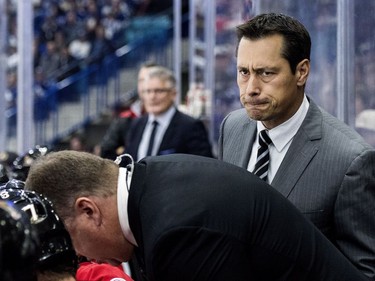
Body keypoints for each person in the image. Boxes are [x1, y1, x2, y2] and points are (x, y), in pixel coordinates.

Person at [24, 150, 369, 281]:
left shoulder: (178, 230)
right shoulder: (153, 180)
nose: (82, 255)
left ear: (88, 210)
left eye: (72, 243)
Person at [217, 12, 375, 279]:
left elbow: (363, 274)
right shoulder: (232, 126)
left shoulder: (350, 160)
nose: (251, 88)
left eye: (266, 73)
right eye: (244, 72)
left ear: (301, 71)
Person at [126, 66, 213, 160]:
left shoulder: (191, 126)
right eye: (148, 91)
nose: (152, 97)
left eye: (158, 91)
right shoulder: (137, 124)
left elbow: (202, 165)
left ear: (173, 94)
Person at [100, 62, 158, 160]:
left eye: (150, 80)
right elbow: (106, 151)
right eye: (141, 80)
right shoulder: (126, 118)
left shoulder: (175, 120)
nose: (145, 86)